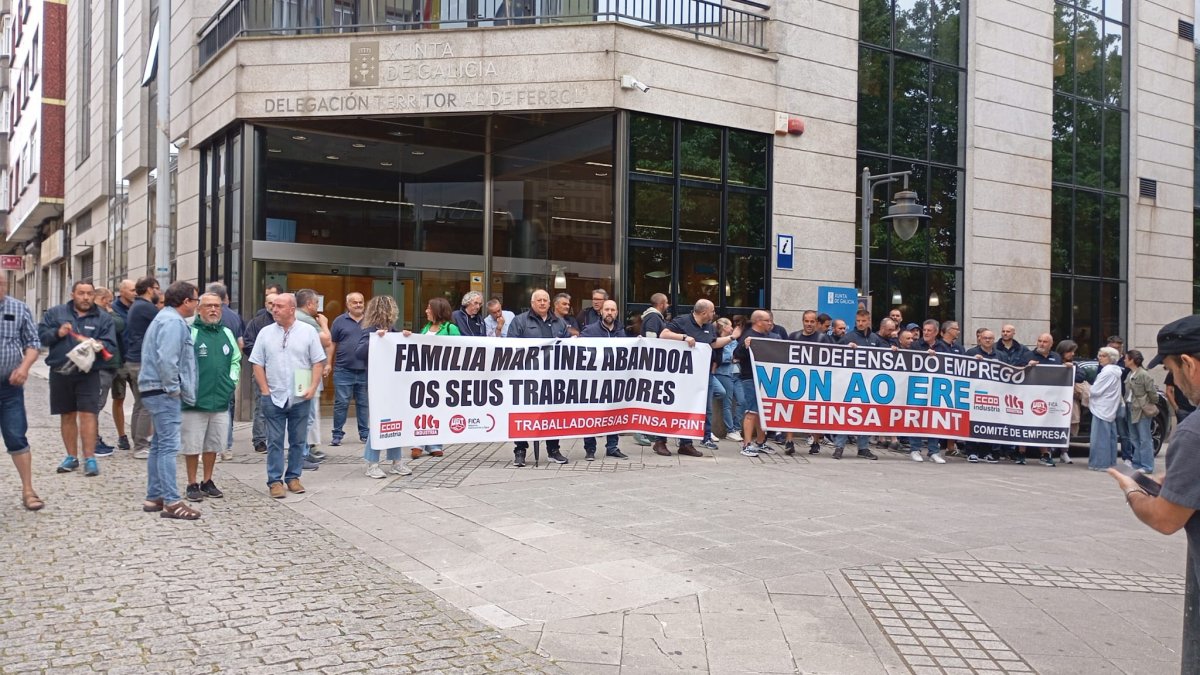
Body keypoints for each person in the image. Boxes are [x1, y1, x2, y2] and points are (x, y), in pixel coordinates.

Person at [1106, 315, 1200, 673]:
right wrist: (1180, 482)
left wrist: (1133, 490)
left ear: (1189, 364)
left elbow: (1164, 519)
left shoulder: (1193, 434)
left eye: (1172, 370)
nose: (1173, 382)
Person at [39, 281, 118, 477]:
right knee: (67, 414)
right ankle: (71, 457)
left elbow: (111, 345)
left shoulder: (103, 317)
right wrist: (58, 333)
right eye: (81, 293)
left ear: (94, 296)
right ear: (73, 294)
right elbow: (42, 337)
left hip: (89, 373)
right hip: (60, 371)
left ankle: (90, 458)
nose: (85, 297)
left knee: (88, 414)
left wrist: (98, 344)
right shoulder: (56, 313)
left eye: (89, 293)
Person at [250, 293, 325, 499]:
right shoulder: (265, 333)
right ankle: (275, 481)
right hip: (274, 395)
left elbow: (318, 362)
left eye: (279, 306)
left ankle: (293, 477)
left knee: (298, 441)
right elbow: (257, 363)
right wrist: (265, 390)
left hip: (300, 396)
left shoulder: (308, 331)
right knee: (274, 441)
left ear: (292, 309)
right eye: (273, 306)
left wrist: (313, 387)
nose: (274, 309)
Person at [138, 282, 201, 520]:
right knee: (167, 447)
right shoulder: (173, 322)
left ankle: (154, 496)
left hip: (154, 389)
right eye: (196, 300)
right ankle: (172, 502)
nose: (197, 305)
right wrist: (173, 388)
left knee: (158, 444)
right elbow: (167, 359)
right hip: (162, 391)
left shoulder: (164, 318)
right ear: (186, 302)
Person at [182, 293, 240, 502]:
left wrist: (231, 382)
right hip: (195, 401)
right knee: (192, 444)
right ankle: (191, 483)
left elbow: (235, 359)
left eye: (217, 306)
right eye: (208, 306)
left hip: (220, 400)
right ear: (199, 309)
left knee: (213, 444)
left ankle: (207, 481)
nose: (213, 310)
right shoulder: (190, 331)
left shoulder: (226, 332)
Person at [660, 299, 733, 458]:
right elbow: (664, 335)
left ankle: (686, 444)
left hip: (702, 375)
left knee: (694, 408)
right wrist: (684, 337)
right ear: (704, 312)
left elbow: (713, 344)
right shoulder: (682, 321)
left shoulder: (709, 327)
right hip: (680, 374)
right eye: (712, 311)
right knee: (673, 406)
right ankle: (660, 441)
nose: (714, 314)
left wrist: (732, 338)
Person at [507, 289, 570, 466]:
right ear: (532, 303)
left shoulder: (559, 323)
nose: (542, 303)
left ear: (550, 303)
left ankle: (553, 450)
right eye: (539, 300)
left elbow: (567, 348)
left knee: (552, 414)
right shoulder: (520, 321)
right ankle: (520, 451)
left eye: (545, 300)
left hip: (552, 377)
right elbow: (511, 346)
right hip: (527, 377)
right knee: (524, 414)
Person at [0, 274, 43, 510]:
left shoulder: (18, 308)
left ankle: (28, 490)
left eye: (1, 283)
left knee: (16, 436)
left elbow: (33, 343)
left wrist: (24, 367)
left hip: (9, 387)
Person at [356, 295, 411, 478]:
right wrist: (374, 340)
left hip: (392, 383)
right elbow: (359, 353)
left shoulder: (393, 330)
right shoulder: (370, 331)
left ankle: (396, 461)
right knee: (379, 422)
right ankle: (372, 463)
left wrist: (405, 338)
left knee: (395, 421)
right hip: (377, 384)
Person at [408, 296, 461, 459]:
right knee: (420, 408)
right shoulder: (426, 328)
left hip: (442, 376)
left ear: (437, 311)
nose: (426, 311)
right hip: (423, 375)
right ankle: (417, 443)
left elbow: (460, 351)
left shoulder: (451, 328)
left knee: (437, 409)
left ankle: (434, 444)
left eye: (429, 309)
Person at [579, 299, 627, 460]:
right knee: (591, 414)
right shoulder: (590, 330)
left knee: (614, 413)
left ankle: (612, 447)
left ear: (617, 312)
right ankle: (590, 449)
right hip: (593, 381)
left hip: (614, 381)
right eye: (607, 309)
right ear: (601, 312)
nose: (609, 313)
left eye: (613, 310)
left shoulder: (621, 331)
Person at [295, 289, 333, 468]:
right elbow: (326, 340)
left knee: (305, 414)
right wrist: (324, 324)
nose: (318, 307)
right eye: (316, 303)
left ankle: (304, 451)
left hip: (302, 372)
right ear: (309, 303)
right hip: (305, 373)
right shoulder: (306, 319)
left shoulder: (298, 318)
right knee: (306, 415)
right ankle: (301, 454)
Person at [124, 276, 161, 459]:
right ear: (149, 289)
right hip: (141, 361)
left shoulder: (136, 306)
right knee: (146, 404)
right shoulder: (146, 308)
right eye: (157, 288)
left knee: (139, 403)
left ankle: (138, 441)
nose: (158, 292)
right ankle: (140, 445)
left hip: (134, 360)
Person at [242, 289, 281, 454]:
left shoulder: (288, 322)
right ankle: (259, 440)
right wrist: (263, 357)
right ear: (265, 304)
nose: (273, 307)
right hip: (262, 371)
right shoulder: (257, 323)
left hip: (282, 373)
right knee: (262, 406)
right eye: (270, 303)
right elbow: (247, 344)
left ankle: (276, 438)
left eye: (276, 303)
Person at [330, 292, 368, 446]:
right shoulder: (339, 321)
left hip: (365, 370)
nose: (358, 305)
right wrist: (328, 363)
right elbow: (332, 343)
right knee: (341, 403)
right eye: (354, 302)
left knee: (363, 404)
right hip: (343, 370)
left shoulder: (371, 321)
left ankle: (365, 434)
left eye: (361, 302)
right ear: (348, 305)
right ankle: (337, 434)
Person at [734, 310, 772, 457]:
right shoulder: (748, 336)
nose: (770, 323)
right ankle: (746, 445)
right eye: (767, 320)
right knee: (751, 411)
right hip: (750, 378)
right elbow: (736, 354)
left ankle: (760, 442)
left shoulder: (765, 336)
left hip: (764, 378)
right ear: (758, 321)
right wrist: (744, 346)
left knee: (760, 412)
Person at [91, 287, 122, 456]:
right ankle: (93, 442)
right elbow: (119, 325)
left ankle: (94, 439)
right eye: (109, 301)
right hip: (102, 366)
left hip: (104, 365)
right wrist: (111, 312)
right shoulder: (100, 314)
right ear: (103, 300)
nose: (111, 304)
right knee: (96, 405)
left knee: (96, 405)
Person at [1025, 333, 1065, 467]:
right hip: (1029, 396)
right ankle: (1020, 453)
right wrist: (1027, 366)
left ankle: (1045, 454)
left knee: (1044, 425)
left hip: (1049, 398)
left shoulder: (1056, 357)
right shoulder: (1027, 355)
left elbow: (1061, 374)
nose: (1041, 344)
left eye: (1045, 342)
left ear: (1051, 344)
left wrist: (1067, 368)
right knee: (1025, 424)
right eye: (1039, 341)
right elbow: (1015, 371)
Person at [965, 329, 1002, 464]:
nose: (987, 340)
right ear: (979, 339)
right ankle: (971, 452)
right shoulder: (971, 353)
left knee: (988, 423)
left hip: (993, 394)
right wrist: (973, 362)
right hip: (975, 393)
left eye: (990, 338)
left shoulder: (1000, 355)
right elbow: (962, 370)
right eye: (985, 338)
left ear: (994, 340)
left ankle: (985, 452)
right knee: (973, 423)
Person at [1088, 346, 1123, 471]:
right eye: (1099, 355)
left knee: (1100, 438)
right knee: (1109, 437)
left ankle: (1100, 464)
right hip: (1109, 407)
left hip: (1102, 408)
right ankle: (1110, 462)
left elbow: (1095, 390)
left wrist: (1088, 387)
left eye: (1103, 356)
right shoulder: (1115, 371)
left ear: (1111, 358)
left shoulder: (1107, 372)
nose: (1100, 358)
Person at [1123, 349, 1158, 475]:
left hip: (1141, 409)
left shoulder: (1144, 374)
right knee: (1134, 437)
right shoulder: (1130, 374)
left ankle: (1147, 466)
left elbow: (1153, 394)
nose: (1124, 360)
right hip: (1130, 407)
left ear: (1132, 360)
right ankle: (1137, 463)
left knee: (1144, 438)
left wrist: (1146, 403)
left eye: (1126, 358)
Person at [713, 317, 745, 443]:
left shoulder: (733, 340)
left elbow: (738, 354)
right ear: (724, 327)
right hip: (724, 374)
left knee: (742, 401)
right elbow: (723, 357)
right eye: (730, 325)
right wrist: (733, 357)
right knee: (728, 403)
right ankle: (730, 430)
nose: (732, 328)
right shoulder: (719, 340)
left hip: (737, 374)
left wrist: (735, 356)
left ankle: (736, 428)